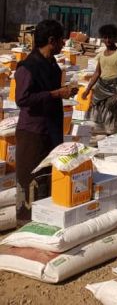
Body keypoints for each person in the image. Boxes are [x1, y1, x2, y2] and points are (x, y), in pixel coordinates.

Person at [15, 20, 77, 225]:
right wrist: (56, 94)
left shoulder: (52, 64)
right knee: (30, 180)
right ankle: (24, 225)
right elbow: (22, 99)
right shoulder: (28, 67)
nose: (64, 44)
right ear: (51, 40)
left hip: (51, 130)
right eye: (61, 40)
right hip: (33, 133)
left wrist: (64, 91)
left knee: (47, 179)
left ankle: (43, 222)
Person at [81, 24, 117, 134]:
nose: (107, 40)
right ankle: (98, 131)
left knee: (110, 110)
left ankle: (109, 132)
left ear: (114, 38)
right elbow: (97, 73)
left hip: (114, 87)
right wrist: (87, 89)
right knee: (96, 109)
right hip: (101, 86)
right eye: (105, 37)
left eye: (110, 37)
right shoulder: (101, 54)